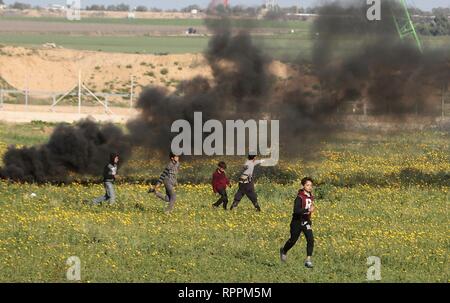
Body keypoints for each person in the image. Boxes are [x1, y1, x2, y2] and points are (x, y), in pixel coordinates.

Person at [280, 177, 316, 268]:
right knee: (293, 240)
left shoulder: (311, 197)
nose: (309, 187)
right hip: (296, 222)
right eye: (307, 185)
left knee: (310, 239)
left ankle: (308, 260)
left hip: (306, 222)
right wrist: (307, 209)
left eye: (311, 185)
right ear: (303, 186)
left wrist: (309, 214)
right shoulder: (299, 197)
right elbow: (296, 210)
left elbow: (309, 209)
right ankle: (284, 250)